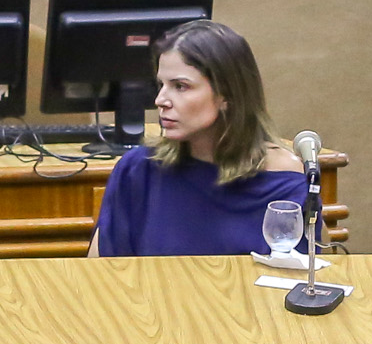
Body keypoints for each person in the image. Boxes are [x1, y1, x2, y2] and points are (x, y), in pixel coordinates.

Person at [87, 20, 311, 258]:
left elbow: (298, 280)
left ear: (227, 95)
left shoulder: (283, 178)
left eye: (180, 86)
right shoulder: (139, 170)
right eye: (161, 85)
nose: (161, 100)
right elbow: (103, 276)